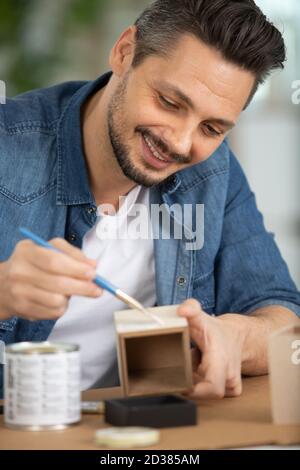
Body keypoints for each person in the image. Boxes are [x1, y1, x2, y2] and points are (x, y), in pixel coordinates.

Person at [0, 0, 299, 400]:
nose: (180, 143)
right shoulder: (8, 144)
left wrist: (237, 336)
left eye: (211, 128)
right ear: (125, 52)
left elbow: (282, 315)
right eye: (170, 103)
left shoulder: (213, 173)